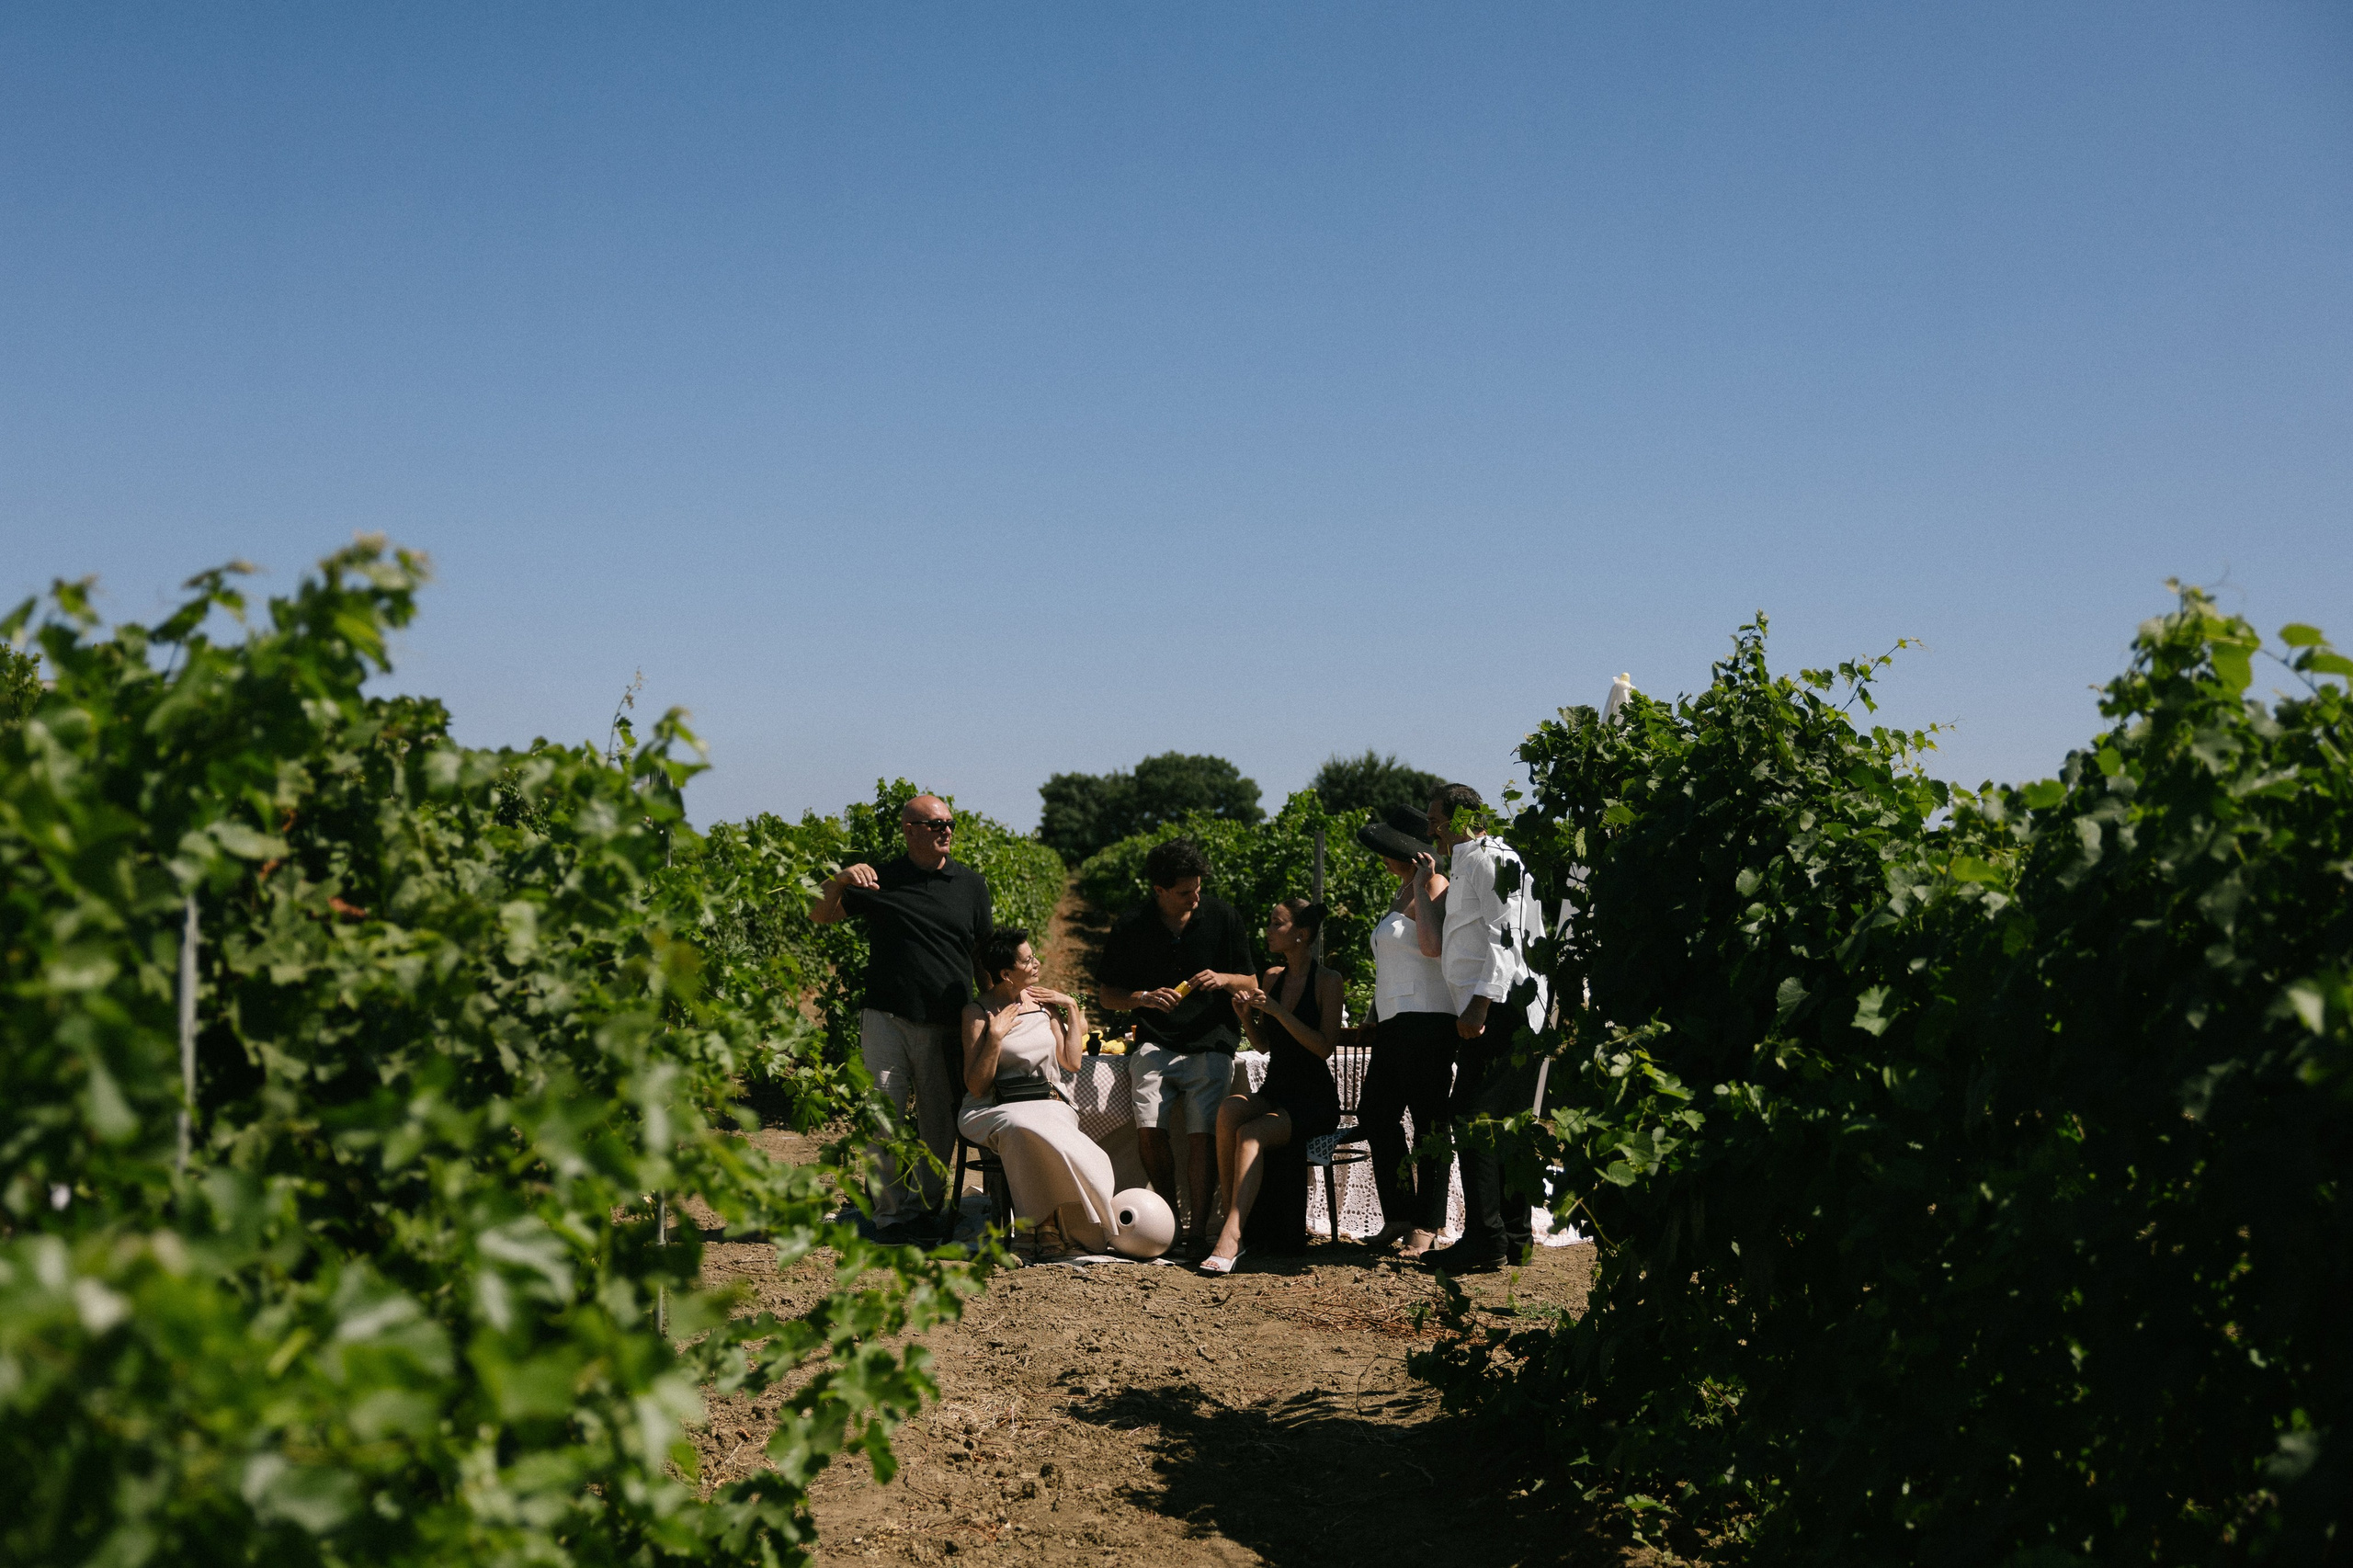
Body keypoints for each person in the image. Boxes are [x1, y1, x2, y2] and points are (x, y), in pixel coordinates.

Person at [808, 793, 992, 1242]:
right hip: (886, 1018)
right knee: (881, 1118)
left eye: (950, 822)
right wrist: (838, 880)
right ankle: (891, 1217)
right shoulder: (880, 879)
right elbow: (820, 916)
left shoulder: (971, 885)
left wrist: (993, 1012)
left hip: (946, 1022)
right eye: (935, 825)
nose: (946, 830)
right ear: (910, 830)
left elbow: (984, 956)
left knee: (938, 1121)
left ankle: (926, 1211)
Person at [1094, 837, 1258, 1255]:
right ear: (1159, 890)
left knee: (1203, 1135)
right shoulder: (1132, 925)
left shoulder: (1223, 918)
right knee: (1150, 1129)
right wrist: (1141, 999)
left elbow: (1252, 982)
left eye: (1199, 887)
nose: (1197, 898)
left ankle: (1199, 1230)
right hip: (1154, 1043)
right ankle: (1165, 1221)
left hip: (1210, 1043)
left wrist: (1223, 979)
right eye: (1186, 891)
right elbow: (1106, 994)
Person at [1414, 783, 1550, 1275]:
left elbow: (1505, 937)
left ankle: (1486, 1239)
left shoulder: (1492, 858)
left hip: (1500, 1008)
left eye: (1436, 821)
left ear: (1463, 817)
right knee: (1503, 1122)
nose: (1431, 830)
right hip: (1495, 1007)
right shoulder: (1469, 861)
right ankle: (1513, 1237)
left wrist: (1478, 1005)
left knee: (1471, 1115)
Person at [1201, 898, 1345, 1273]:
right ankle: (1237, 1223)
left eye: (1275, 923)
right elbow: (1265, 1044)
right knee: (1230, 1109)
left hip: (1313, 1097)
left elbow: (1323, 1048)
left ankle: (1231, 1236)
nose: (1267, 929)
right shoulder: (1271, 977)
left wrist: (1279, 1011)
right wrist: (1247, 1018)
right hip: (1278, 1087)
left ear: (1300, 935)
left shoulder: (1328, 981)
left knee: (1251, 1134)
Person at [958, 926, 1117, 1254]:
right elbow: (976, 1086)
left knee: (1036, 1127)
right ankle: (1041, 1226)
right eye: (1028, 961)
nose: (1037, 964)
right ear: (1006, 974)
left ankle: (1034, 1228)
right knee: (1019, 1129)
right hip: (993, 1105)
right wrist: (996, 1038)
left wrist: (1071, 1007)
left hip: (1047, 1101)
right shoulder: (977, 1013)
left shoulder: (1044, 1005)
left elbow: (1071, 1062)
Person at [1353, 804, 1457, 1259]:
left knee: (1430, 1123)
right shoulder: (1399, 892)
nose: (1384, 858)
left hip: (1429, 1019)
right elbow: (1391, 962)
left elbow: (1433, 950)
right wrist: (1375, 1013)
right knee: (1376, 1112)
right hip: (1396, 1021)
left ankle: (1426, 1223)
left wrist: (1422, 883)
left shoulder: (1435, 886)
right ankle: (1397, 1212)